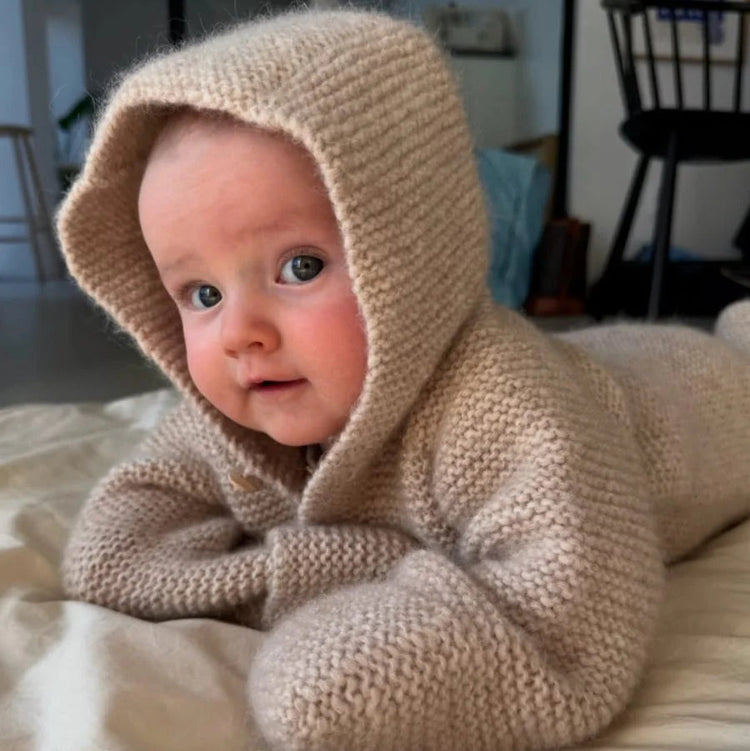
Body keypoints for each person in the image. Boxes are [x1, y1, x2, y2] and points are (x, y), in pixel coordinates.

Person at [58, 9, 750, 751]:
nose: (238, 333)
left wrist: (347, 642)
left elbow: (570, 626)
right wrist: (343, 564)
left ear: (409, 254)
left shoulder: (502, 406)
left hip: (696, 398)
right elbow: (110, 555)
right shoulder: (243, 405)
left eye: (300, 267)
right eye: (201, 294)